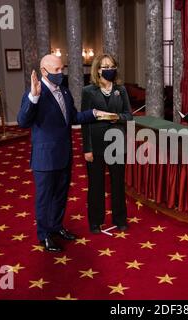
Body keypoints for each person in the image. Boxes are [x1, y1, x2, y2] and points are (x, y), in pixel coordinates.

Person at [17, 54, 115, 252]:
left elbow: (72, 117)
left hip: (64, 154)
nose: (61, 73)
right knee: (45, 199)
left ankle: (56, 227)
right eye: (56, 70)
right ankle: (44, 236)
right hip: (45, 158)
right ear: (44, 72)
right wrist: (33, 97)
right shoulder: (35, 92)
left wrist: (94, 114)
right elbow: (22, 121)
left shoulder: (64, 91)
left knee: (61, 196)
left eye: (62, 69)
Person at [81, 53, 133, 234]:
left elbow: (129, 115)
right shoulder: (88, 91)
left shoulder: (121, 90)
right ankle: (95, 221)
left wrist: (117, 117)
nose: (109, 70)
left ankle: (120, 219)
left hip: (117, 143)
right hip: (95, 146)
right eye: (105, 67)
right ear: (97, 69)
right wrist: (87, 148)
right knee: (96, 185)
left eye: (112, 66)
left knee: (118, 184)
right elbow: (85, 121)